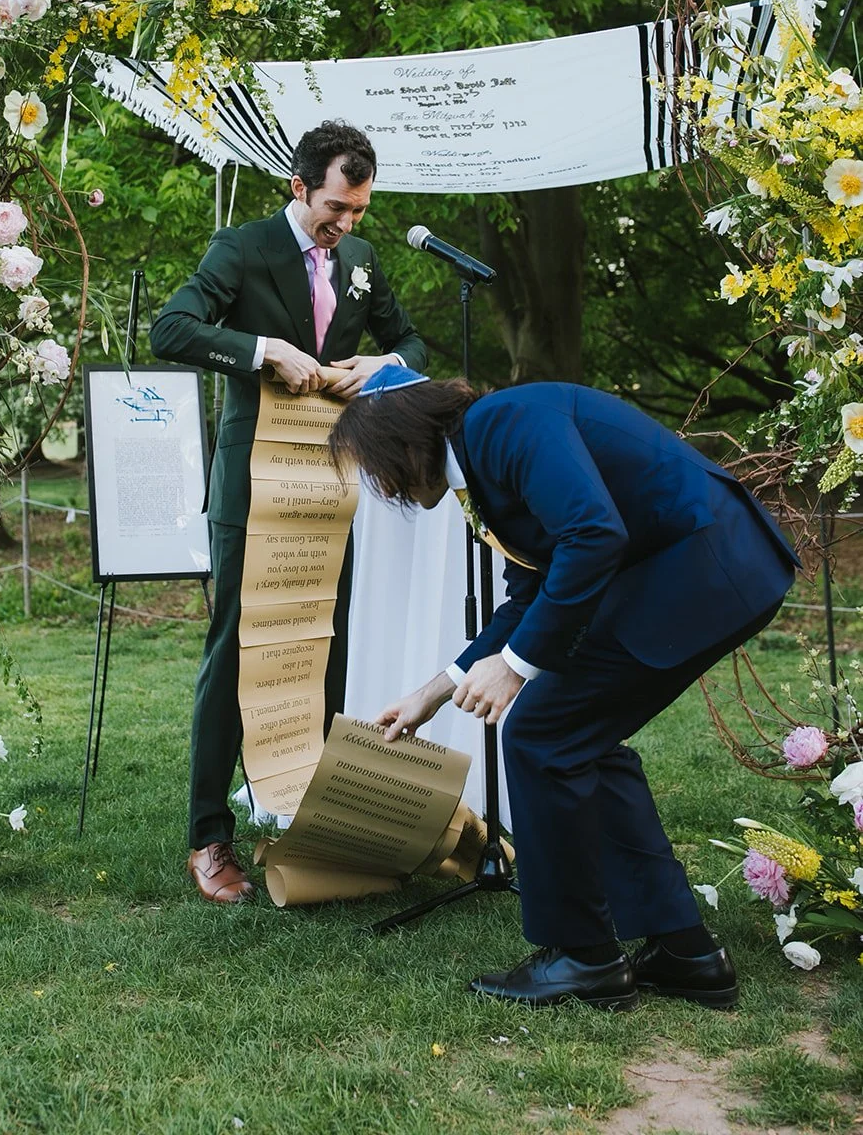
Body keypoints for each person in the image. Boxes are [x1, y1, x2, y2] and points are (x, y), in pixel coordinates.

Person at [327, 368, 797, 1010]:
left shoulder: (505, 423)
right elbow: (532, 592)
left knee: (543, 734)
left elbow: (594, 535)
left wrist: (516, 668)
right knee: (580, 741)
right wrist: (434, 691)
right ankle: (684, 952)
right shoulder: (484, 457)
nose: (386, 489)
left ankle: (583, 956)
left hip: (706, 565)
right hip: (704, 571)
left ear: (404, 443)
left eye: (379, 471)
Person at [150, 121, 426, 903]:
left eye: (360, 212)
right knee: (235, 652)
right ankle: (209, 837)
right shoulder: (239, 249)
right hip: (252, 486)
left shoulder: (364, 261)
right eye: (335, 208)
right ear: (297, 187)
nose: (346, 225)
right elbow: (170, 328)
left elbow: (410, 341)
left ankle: (316, 824)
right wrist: (262, 349)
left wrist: (386, 362)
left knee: (328, 649)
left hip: (335, 482)